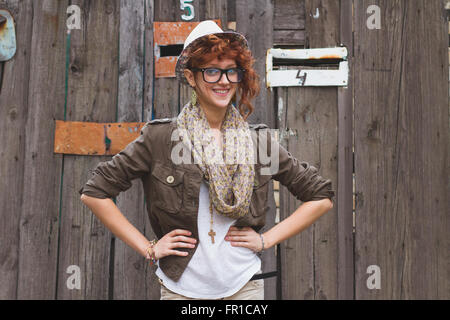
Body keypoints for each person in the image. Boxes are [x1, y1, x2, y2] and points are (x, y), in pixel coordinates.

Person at [79, 20, 335, 300]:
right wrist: (148, 248)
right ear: (191, 77)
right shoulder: (162, 138)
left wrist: (267, 239)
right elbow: (95, 192)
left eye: (231, 72)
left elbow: (320, 196)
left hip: (243, 288)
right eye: (212, 71)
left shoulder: (257, 143)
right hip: (181, 290)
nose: (224, 81)